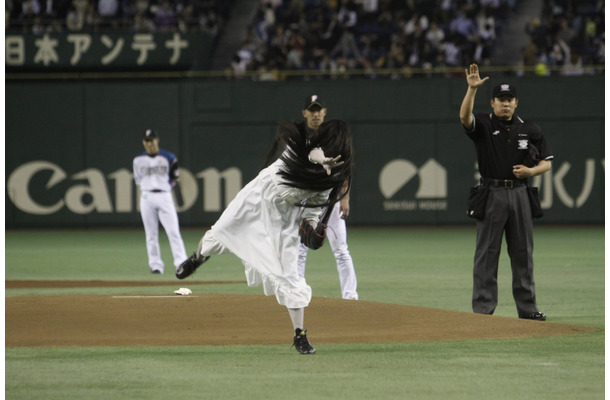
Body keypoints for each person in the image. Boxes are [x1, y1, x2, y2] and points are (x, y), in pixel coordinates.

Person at [175, 118, 353, 355]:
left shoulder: (329, 181)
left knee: (288, 274)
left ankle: (300, 334)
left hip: (284, 216)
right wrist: (322, 159)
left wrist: (311, 229)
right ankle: (198, 257)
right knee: (218, 234)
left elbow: (311, 212)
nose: (333, 153)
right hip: (258, 196)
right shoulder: (304, 148)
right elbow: (314, 153)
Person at [459, 64, 553, 321]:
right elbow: (465, 118)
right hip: (492, 193)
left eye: (509, 99)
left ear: (516, 102)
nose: (505, 104)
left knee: (523, 253)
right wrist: (471, 90)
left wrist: (531, 172)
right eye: (500, 100)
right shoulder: (484, 126)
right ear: (492, 103)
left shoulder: (529, 128)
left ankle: (528, 309)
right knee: (487, 254)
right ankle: (483, 310)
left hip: (521, 193)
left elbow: (547, 162)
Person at [294, 95, 358, 300]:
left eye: (318, 110)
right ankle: (297, 292)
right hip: (307, 200)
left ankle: (350, 297)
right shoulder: (299, 137)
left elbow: (345, 167)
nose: (315, 114)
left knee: (341, 250)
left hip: (331, 200)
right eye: (311, 110)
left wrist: (345, 198)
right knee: (301, 249)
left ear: (324, 112)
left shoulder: (335, 136)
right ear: (304, 113)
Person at [133, 128, 188, 274]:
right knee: (150, 234)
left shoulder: (168, 157)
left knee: (173, 231)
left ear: (157, 140)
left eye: (151, 140)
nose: (149, 144)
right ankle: (156, 265)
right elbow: (138, 180)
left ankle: (181, 263)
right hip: (146, 196)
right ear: (143, 142)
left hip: (164, 195)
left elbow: (175, 178)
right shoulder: (138, 160)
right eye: (146, 141)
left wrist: (167, 187)